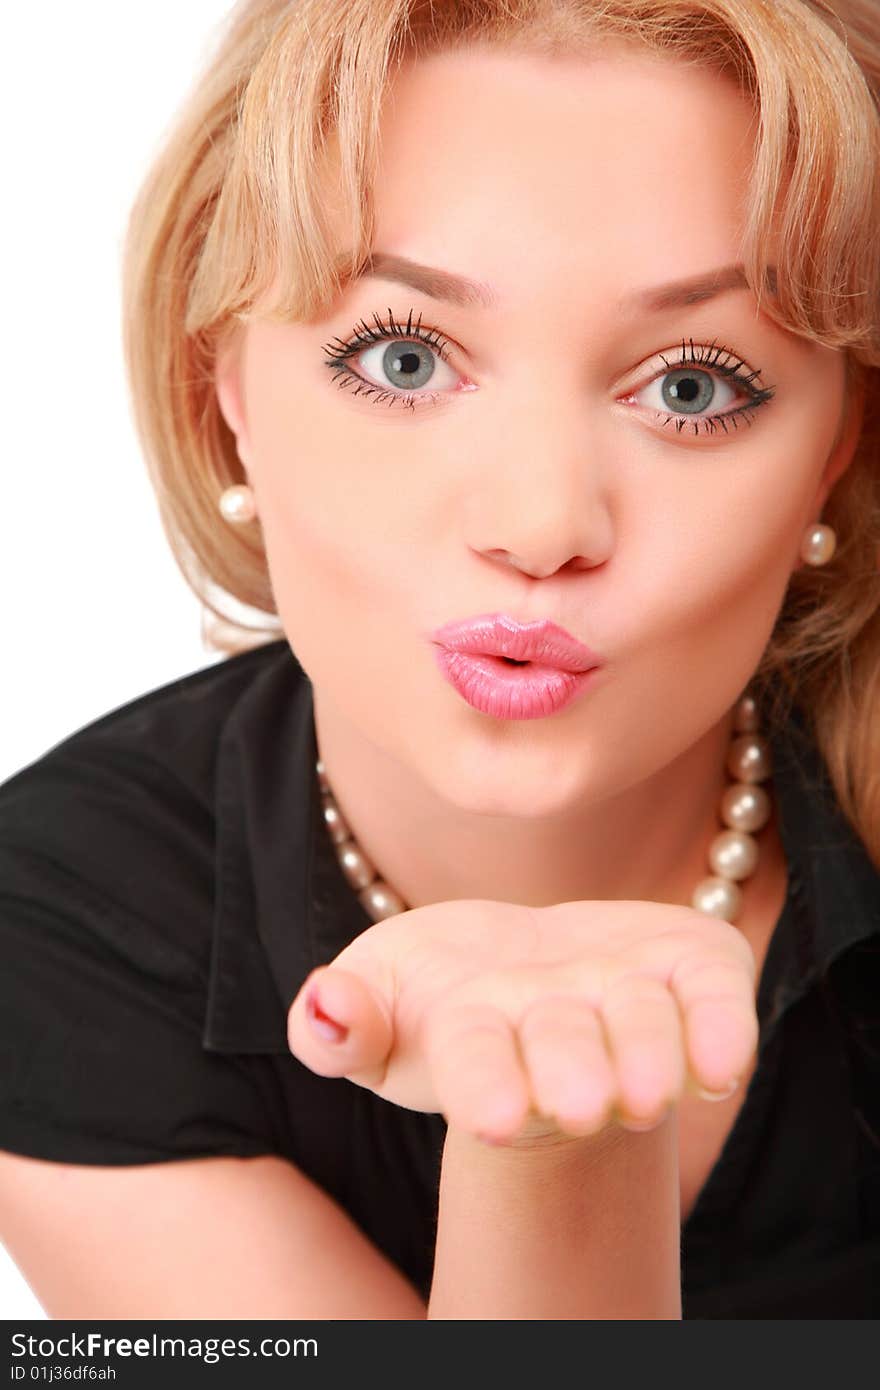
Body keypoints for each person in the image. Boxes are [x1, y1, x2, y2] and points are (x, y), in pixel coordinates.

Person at [0, 0, 878, 1319]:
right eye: (404, 357)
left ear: (837, 446)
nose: (539, 525)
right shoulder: (57, 932)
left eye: (692, 385)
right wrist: (554, 1140)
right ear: (222, 388)